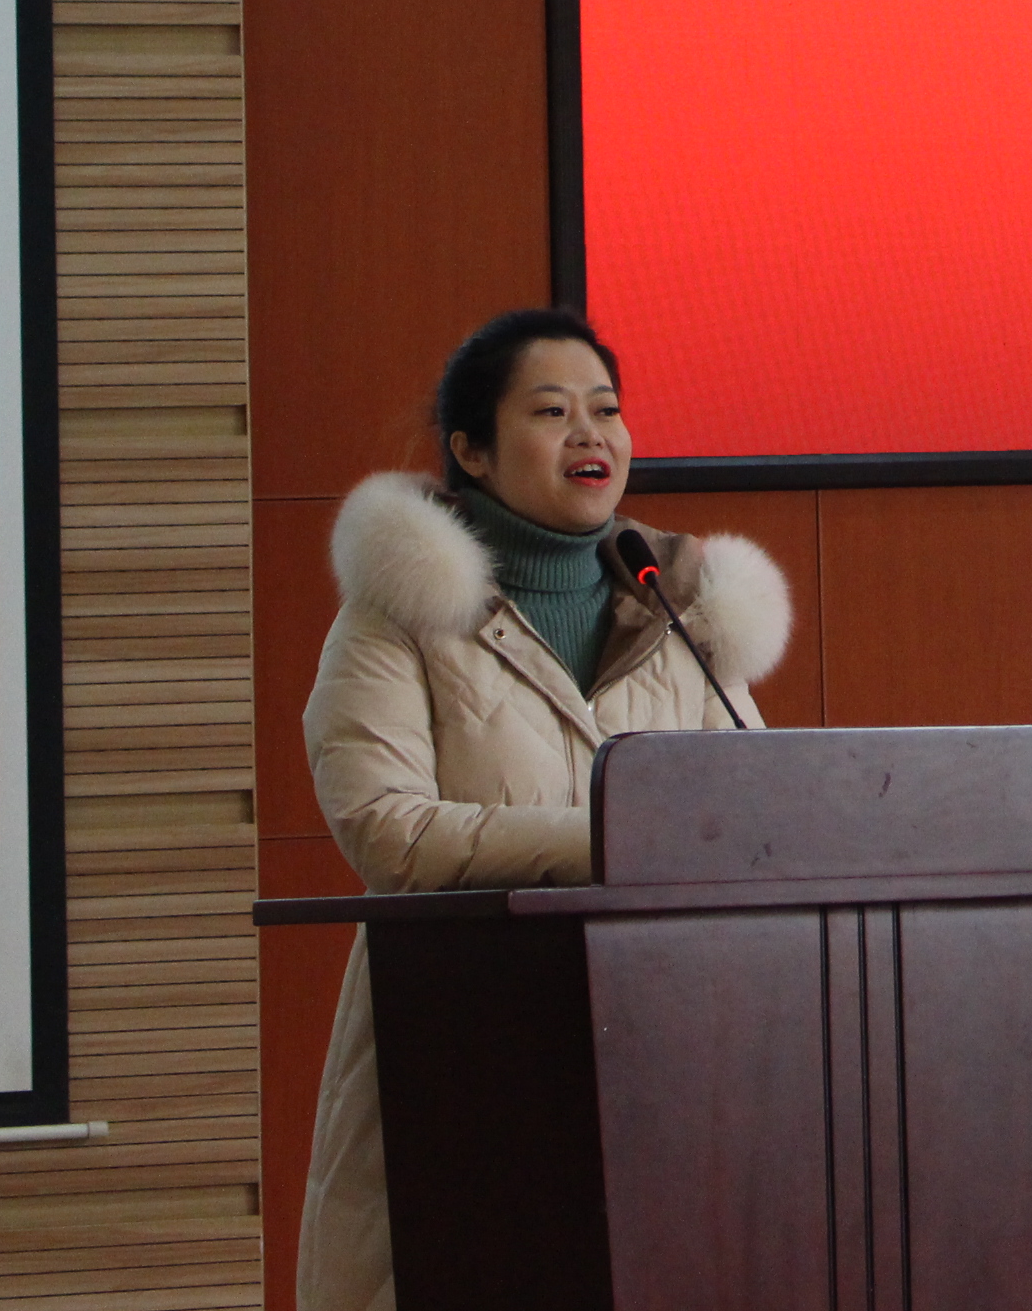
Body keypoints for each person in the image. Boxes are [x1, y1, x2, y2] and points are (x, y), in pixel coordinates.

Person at [295, 309, 789, 1311]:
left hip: (668, 1055)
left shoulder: (679, 608)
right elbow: (388, 829)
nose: (591, 434)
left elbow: (757, 812)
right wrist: (622, 837)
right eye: (552, 412)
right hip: (463, 1049)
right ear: (472, 450)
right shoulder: (398, 617)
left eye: (607, 409)